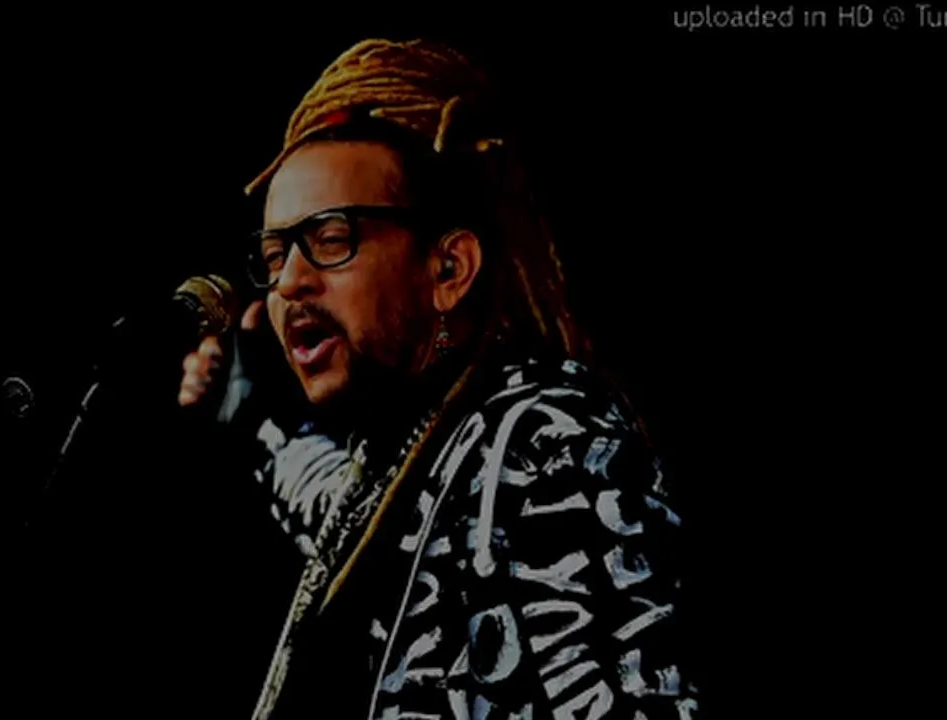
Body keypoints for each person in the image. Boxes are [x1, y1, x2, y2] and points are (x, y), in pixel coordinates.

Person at [180, 39, 699, 720]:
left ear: (449, 269)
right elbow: (340, 509)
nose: (290, 282)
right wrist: (252, 417)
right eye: (275, 255)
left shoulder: (545, 436)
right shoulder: (411, 448)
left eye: (331, 239)